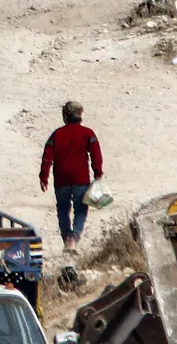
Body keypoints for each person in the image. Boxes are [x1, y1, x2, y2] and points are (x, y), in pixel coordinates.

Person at [39, 101, 104, 251]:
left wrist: (44, 177)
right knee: (81, 209)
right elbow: (96, 154)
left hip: (61, 180)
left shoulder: (57, 134)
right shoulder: (88, 133)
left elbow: (47, 157)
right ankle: (74, 238)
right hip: (81, 178)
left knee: (63, 209)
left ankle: (66, 239)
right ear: (80, 115)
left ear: (65, 116)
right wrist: (98, 173)